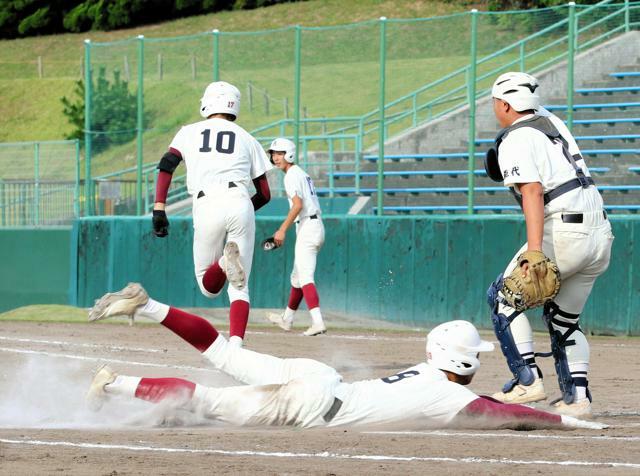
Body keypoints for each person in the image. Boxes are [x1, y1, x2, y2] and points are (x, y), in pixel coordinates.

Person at [86, 283, 605, 431]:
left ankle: (149, 305)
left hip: (316, 375)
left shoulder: (424, 371)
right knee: (208, 401)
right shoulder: (448, 393)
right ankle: (113, 384)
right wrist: (565, 420)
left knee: (222, 351)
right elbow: (506, 411)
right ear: (464, 362)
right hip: (315, 407)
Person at [484, 72, 614, 417]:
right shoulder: (552, 122)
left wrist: (534, 249)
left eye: (495, 102)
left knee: (502, 298)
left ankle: (526, 380)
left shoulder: (516, 136)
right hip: (599, 233)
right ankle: (578, 398)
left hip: (565, 230)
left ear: (505, 104)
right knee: (564, 320)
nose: (494, 109)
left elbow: (531, 191)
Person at [151, 81, 273, 347]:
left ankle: (221, 264)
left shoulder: (189, 131)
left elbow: (167, 164)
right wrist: (241, 211)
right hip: (240, 200)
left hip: (207, 203)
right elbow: (265, 193)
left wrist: (159, 207)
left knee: (208, 288)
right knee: (239, 287)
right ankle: (236, 348)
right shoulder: (247, 137)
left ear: (208, 102)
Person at [264, 138, 327, 336]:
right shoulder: (299, 172)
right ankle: (287, 318)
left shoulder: (291, 175)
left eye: (279, 153)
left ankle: (318, 321)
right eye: (273, 154)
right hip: (312, 225)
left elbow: (298, 205)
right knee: (297, 277)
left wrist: (282, 230)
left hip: (309, 226)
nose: (275, 157)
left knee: (306, 276)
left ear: (289, 154)